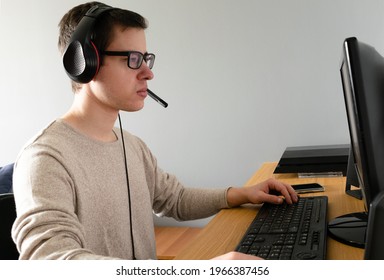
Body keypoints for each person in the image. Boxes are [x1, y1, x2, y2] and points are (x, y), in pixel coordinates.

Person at [11, 1, 298, 260]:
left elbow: (175, 199)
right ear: (85, 62)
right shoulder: (45, 159)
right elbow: (49, 260)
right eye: (133, 59)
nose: (148, 73)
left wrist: (243, 193)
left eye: (146, 59)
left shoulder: (132, 146)